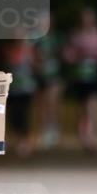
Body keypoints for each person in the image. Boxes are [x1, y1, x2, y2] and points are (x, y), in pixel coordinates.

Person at [63, 7, 97, 151]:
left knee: (94, 106)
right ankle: (84, 135)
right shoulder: (75, 35)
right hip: (80, 76)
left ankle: (94, 137)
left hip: (96, 75)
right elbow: (67, 55)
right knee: (83, 108)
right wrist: (78, 55)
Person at [3, 31, 38, 157]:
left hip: (27, 88)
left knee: (25, 115)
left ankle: (26, 142)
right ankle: (17, 140)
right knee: (14, 115)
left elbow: (35, 67)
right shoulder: (9, 51)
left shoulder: (29, 51)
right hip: (13, 89)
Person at [32, 12, 63, 149]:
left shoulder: (56, 38)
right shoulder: (34, 38)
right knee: (42, 104)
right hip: (39, 75)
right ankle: (44, 130)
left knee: (53, 102)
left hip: (54, 75)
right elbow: (29, 55)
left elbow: (63, 55)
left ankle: (54, 130)